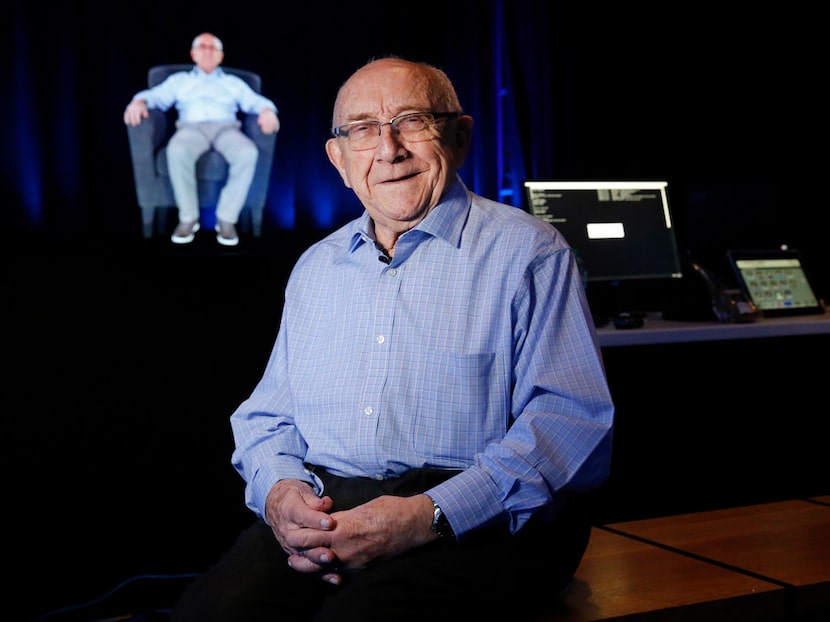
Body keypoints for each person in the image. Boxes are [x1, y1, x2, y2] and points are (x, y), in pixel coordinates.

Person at [171, 56, 614, 622]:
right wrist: (282, 495)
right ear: (339, 159)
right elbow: (267, 418)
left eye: (411, 121)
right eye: (362, 130)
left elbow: (571, 424)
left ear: (459, 135)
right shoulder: (315, 268)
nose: (388, 149)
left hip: (481, 521)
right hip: (331, 509)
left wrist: (425, 516)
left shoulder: (530, 253)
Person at [123, 32, 279, 246]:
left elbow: (256, 101)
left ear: (220, 56)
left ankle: (226, 219)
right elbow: (155, 96)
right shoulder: (179, 81)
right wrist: (138, 101)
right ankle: (188, 218)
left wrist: (267, 110)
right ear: (193, 54)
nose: (207, 50)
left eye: (212, 47)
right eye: (202, 46)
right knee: (176, 150)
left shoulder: (233, 83)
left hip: (226, 129)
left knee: (247, 152)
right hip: (191, 129)